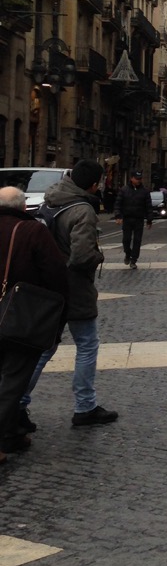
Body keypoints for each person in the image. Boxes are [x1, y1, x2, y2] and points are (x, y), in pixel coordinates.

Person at [22, 160, 118, 428]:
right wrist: (98, 257)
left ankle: (17, 402)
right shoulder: (83, 210)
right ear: (94, 184)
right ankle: (85, 407)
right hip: (74, 287)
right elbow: (83, 256)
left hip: (48, 285)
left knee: (44, 348)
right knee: (87, 345)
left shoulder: (50, 200)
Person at [0, 187, 69, 456]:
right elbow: (56, 277)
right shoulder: (32, 231)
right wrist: (57, 321)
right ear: (22, 207)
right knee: (12, 381)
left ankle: (11, 434)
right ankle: (4, 438)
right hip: (20, 318)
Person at [112, 168, 153, 270]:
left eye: (140, 178)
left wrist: (149, 219)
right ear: (131, 178)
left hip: (139, 219)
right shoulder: (124, 190)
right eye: (137, 178)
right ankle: (127, 253)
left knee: (137, 241)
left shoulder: (145, 192)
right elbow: (118, 204)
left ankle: (133, 260)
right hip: (127, 219)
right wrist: (118, 215)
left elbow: (148, 206)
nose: (139, 180)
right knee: (126, 239)